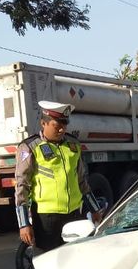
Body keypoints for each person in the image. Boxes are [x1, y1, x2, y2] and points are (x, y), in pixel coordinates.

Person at [14, 101, 103, 252]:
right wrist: (24, 224)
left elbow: (82, 181)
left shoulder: (73, 145)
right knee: (51, 261)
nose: (62, 129)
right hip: (46, 218)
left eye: (65, 125)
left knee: (77, 256)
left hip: (75, 214)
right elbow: (22, 185)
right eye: (57, 125)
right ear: (44, 123)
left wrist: (95, 210)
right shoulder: (30, 147)